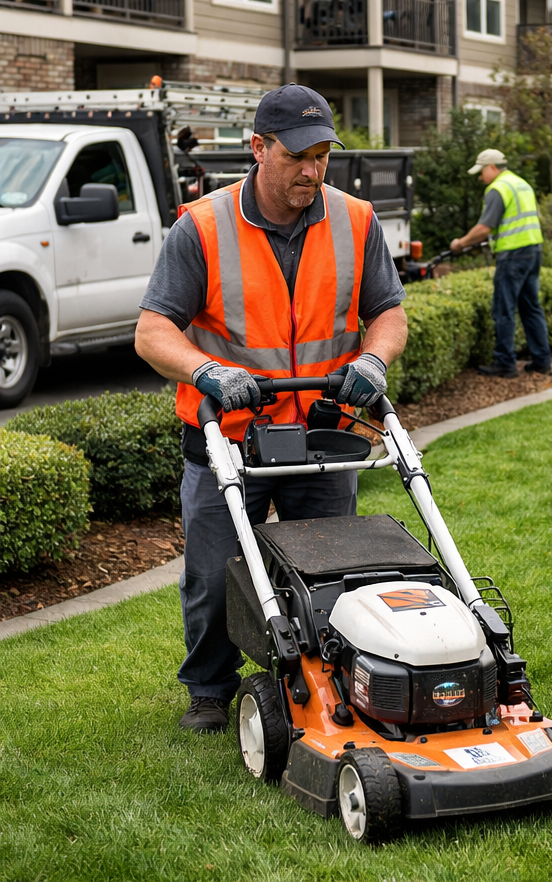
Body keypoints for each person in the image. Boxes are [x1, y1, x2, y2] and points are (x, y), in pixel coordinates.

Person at [135, 84, 408, 733]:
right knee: (213, 573)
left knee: (331, 572)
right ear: (258, 148)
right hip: (228, 438)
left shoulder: (356, 220)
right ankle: (208, 689)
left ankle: (326, 680)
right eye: (298, 156)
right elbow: (153, 332)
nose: (313, 171)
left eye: (323, 156)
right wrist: (207, 370)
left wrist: (374, 360)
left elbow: (388, 314)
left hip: (322, 435)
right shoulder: (201, 226)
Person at [450, 148, 551, 378]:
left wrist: (460, 243)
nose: (479, 177)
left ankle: (505, 363)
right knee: (531, 307)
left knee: (503, 309)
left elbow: (484, 228)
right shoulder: (521, 184)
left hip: (513, 254)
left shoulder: (497, 188)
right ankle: (542, 361)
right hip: (533, 250)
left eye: (481, 171)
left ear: (492, 167)